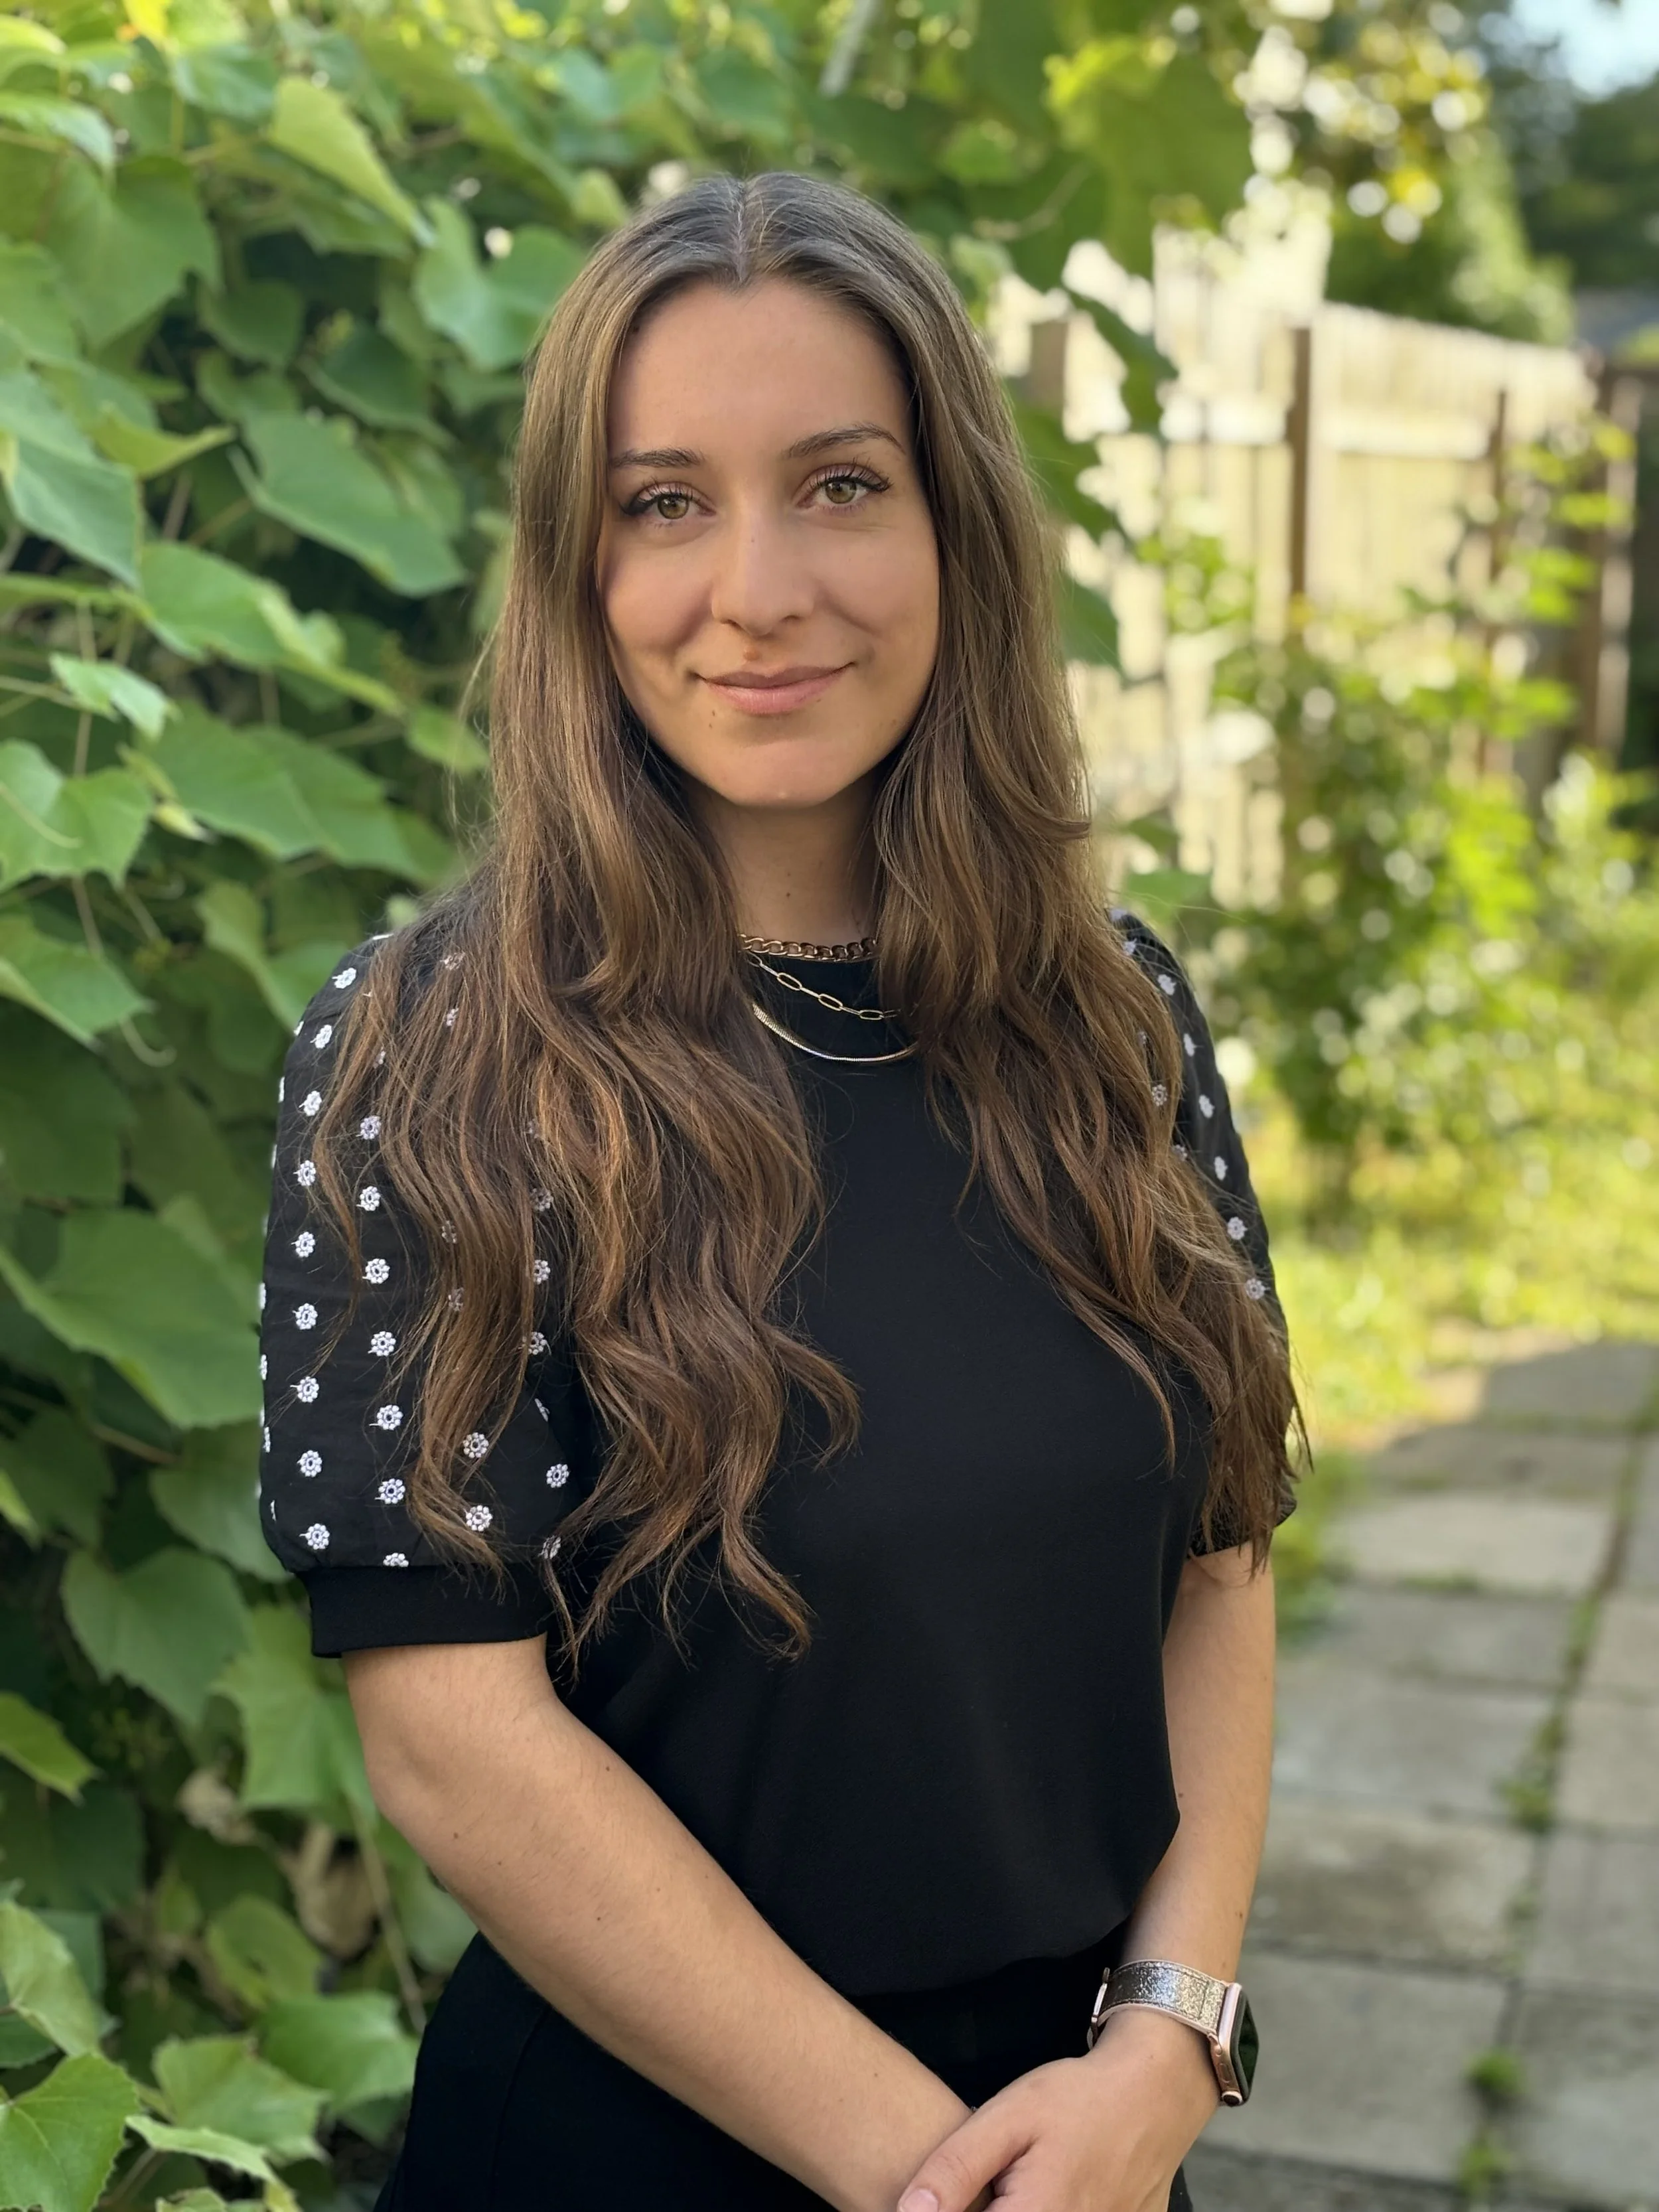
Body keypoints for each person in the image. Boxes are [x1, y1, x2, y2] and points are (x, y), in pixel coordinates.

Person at [258, 169, 1300, 2212]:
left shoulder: (1113, 1014)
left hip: (1085, 2132)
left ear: (953, 532)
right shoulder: (432, 1049)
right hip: (644, 2148)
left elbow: (1222, 1550)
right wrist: (943, 2176)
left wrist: (1169, 2035)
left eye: (839, 483)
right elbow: (453, 1736)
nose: (755, 586)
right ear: (577, 561)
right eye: (663, 502)